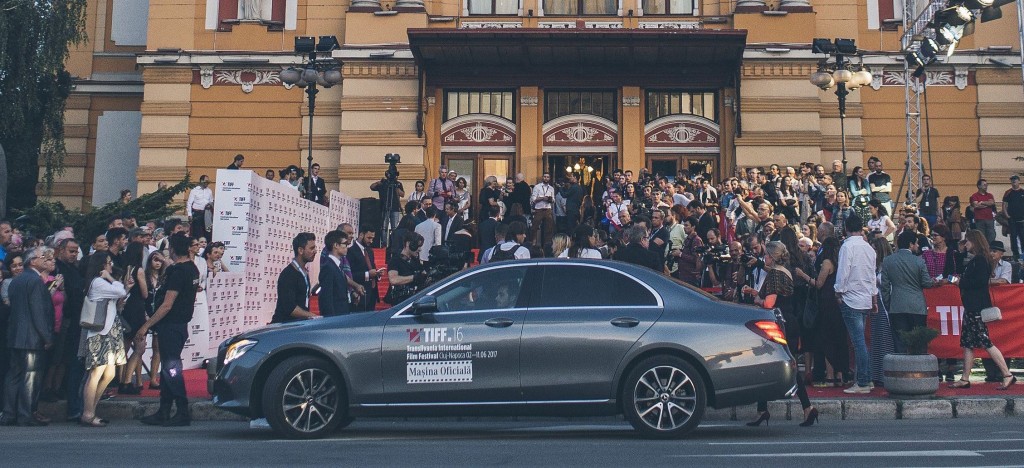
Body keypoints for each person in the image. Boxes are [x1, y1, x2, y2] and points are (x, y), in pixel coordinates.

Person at [742, 242, 818, 427]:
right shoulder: (785, 272)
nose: (764, 258)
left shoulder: (775, 274)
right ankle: (764, 409)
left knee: (785, 366)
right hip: (789, 321)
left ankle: (806, 407)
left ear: (772, 256)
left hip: (779, 324)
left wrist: (756, 298)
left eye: (766, 255)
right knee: (777, 364)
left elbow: (769, 303)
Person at [136, 233, 200, 426]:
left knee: (172, 369)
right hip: (178, 325)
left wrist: (145, 326)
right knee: (167, 368)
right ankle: (164, 409)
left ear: (172, 249)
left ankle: (182, 410)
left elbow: (167, 304)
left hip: (171, 326)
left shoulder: (178, 272)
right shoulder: (192, 269)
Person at [948, 230, 1017, 390]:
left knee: (985, 341)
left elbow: (978, 282)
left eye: (967, 241)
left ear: (974, 241)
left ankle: (1007, 374)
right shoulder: (978, 259)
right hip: (972, 306)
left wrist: (960, 283)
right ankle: (965, 378)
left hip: (976, 307)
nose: (965, 244)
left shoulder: (979, 260)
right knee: (968, 342)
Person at [0, 247, 56, 426]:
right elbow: (38, 312)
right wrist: (47, 337)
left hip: (15, 335)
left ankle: (9, 413)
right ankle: (25, 414)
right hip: (31, 337)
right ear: (32, 261)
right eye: (42, 257)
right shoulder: (35, 281)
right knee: (30, 376)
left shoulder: (16, 281)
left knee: (14, 375)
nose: (45, 259)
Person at [78, 252, 131, 427]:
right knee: (96, 373)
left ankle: (91, 409)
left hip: (109, 330)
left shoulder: (101, 283)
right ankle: (88, 413)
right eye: (108, 263)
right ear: (101, 266)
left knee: (109, 373)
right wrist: (110, 277)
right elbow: (119, 290)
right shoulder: (98, 282)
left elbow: (119, 296)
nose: (111, 265)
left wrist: (124, 287)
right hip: (99, 332)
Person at [834, 215, 877, 394]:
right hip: (865, 298)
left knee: (858, 343)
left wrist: (838, 291)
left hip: (851, 298)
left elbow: (843, 271)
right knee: (860, 342)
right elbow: (872, 275)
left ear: (846, 228)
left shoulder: (847, 247)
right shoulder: (869, 248)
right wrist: (874, 297)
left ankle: (863, 381)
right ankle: (866, 378)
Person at [880, 231, 937, 353]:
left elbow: (885, 287)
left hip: (897, 306)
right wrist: (934, 281)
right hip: (917, 306)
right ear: (911, 244)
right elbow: (927, 283)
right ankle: (919, 365)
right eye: (916, 243)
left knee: (900, 344)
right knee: (919, 344)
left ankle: (901, 365)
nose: (918, 245)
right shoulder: (919, 261)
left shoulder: (888, 261)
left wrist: (889, 303)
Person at [117, 242, 149, 395]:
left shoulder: (124, 269)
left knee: (124, 347)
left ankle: (121, 379)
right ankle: (127, 380)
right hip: (137, 309)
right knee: (139, 347)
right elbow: (145, 293)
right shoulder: (139, 270)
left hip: (125, 308)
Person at [270, 233, 319, 324]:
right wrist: (313, 316)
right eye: (312, 248)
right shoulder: (288, 275)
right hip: (283, 326)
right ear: (300, 250)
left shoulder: (304, 272)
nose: (315, 251)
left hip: (297, 324)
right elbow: (290, 308)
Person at [348, 225, 383, 312]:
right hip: (359, 294)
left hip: (372, 294)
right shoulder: (350, 251)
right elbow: (349, 275)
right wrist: (368, 275)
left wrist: (377, 274)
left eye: (372, 238)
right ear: (361, 235)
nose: (371, 241)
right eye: (369, 238)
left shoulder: (370, 251)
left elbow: (372, 268)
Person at [318, 230, 351, 318]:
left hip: (342, 316)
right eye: (345, 244)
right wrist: (331, 320)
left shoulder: (338, 266)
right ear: (336, 245)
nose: (347, 247)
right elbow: (326, 299)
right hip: (335, 319)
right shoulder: (328, 267)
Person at [530, 173, 556, 250]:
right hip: (539, 209)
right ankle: (533, 244)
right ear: (542, 177)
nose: (546, 178)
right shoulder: (537, 187)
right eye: (544, 177)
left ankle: (547, 246)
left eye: (547, 177)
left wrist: (550, 199)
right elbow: (533, 199)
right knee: (534, 227)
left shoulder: (551, 188)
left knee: (549, 228)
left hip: (548, 209)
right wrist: (542, 198)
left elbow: (553, 200)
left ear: (549, 178)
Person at [186, 175, 214, 242]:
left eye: (208, 181)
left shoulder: (209, 191)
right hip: (197, 213)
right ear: (201, 181)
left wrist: (210, 205)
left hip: (206, 214)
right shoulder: (194, 190)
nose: (207, 183)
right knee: (197, 232)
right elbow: (189, 203)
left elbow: (211, 201)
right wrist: (189, 214)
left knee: (207, 232)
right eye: (206, 181)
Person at [1002, 175, 1023, 259]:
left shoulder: (1022, 192)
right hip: (1012, 219)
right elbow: (1004, 205)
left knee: (1023, 237)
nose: (1014, 181)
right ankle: (1015, 255)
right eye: (1012, 180)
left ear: (1019, 181)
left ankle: (1023, 254)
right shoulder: (1008, 192)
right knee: (1013, 237)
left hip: (1022, 219)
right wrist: (1007, 215)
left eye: (1015, 179)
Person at [970, 178, 997, 244]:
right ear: (979, 186)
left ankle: (990, 248)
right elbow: (976, 205)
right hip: (979, 219)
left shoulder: (989, 195)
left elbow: (992, 203)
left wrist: (981, 202)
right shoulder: (974, 196)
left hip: (990, 219)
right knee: (981, 237)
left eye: (987, 185)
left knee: (991, 236)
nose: (986, 186)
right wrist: (987, 204)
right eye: (984, 185)